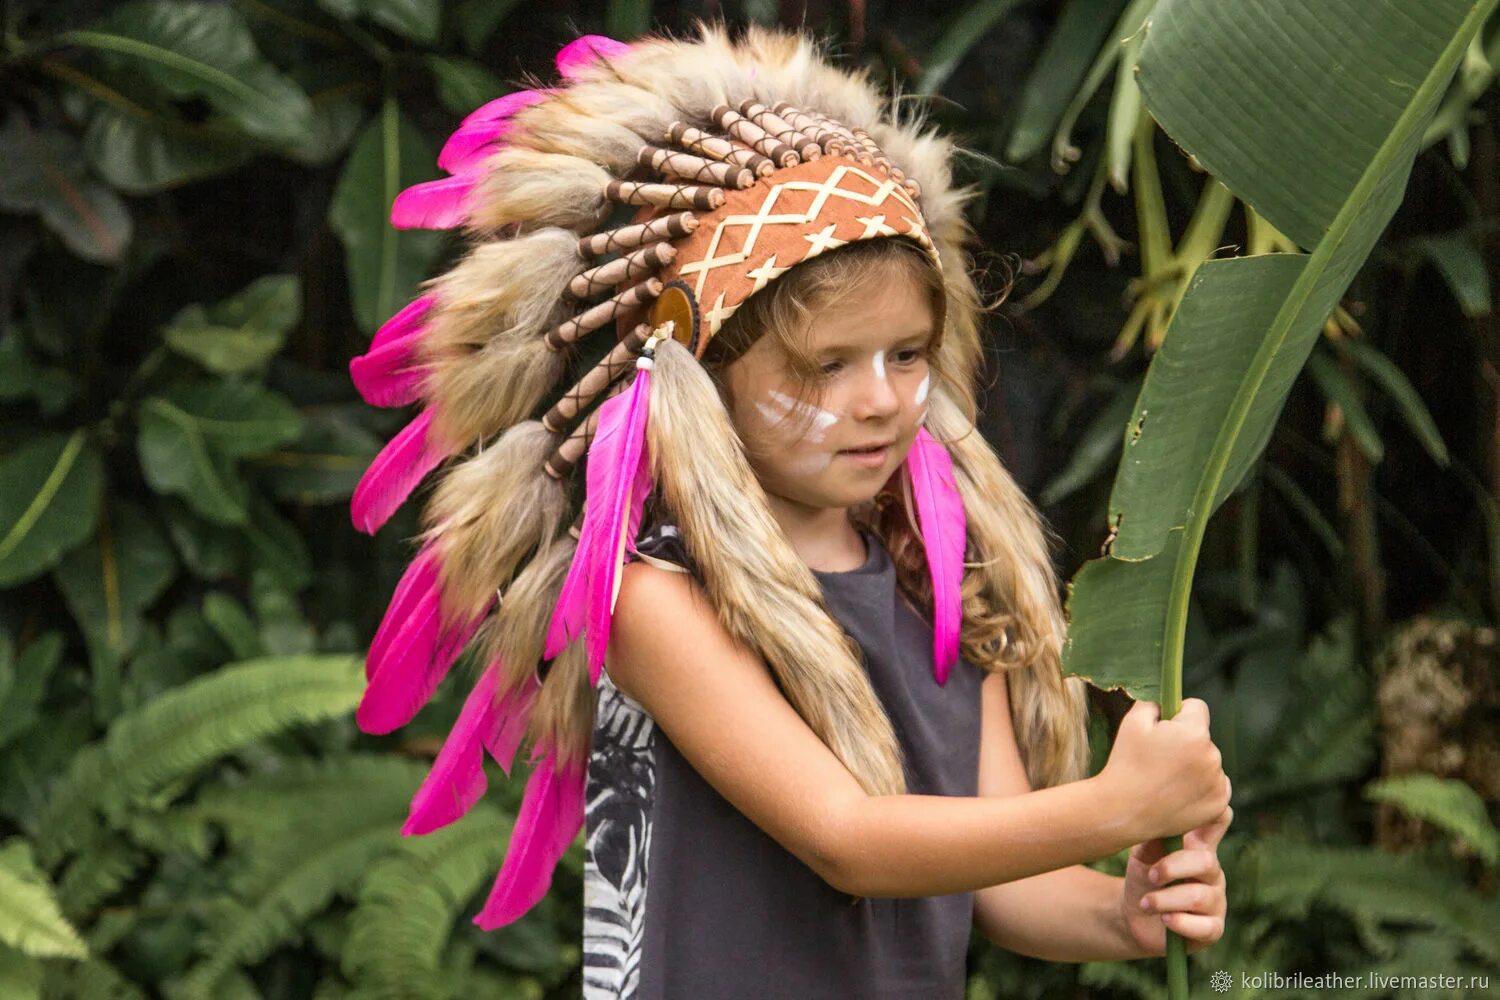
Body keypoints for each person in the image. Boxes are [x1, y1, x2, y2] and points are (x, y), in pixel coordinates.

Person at [345, 21, 1231, 1000]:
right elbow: (849, 839)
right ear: (709, 369)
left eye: (906, 354)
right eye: (828, 366)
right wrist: (1114, 807)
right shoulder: (656, 597)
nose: (884, 398)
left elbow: (1005, 883)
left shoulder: (939, 574)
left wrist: (1123, 910)